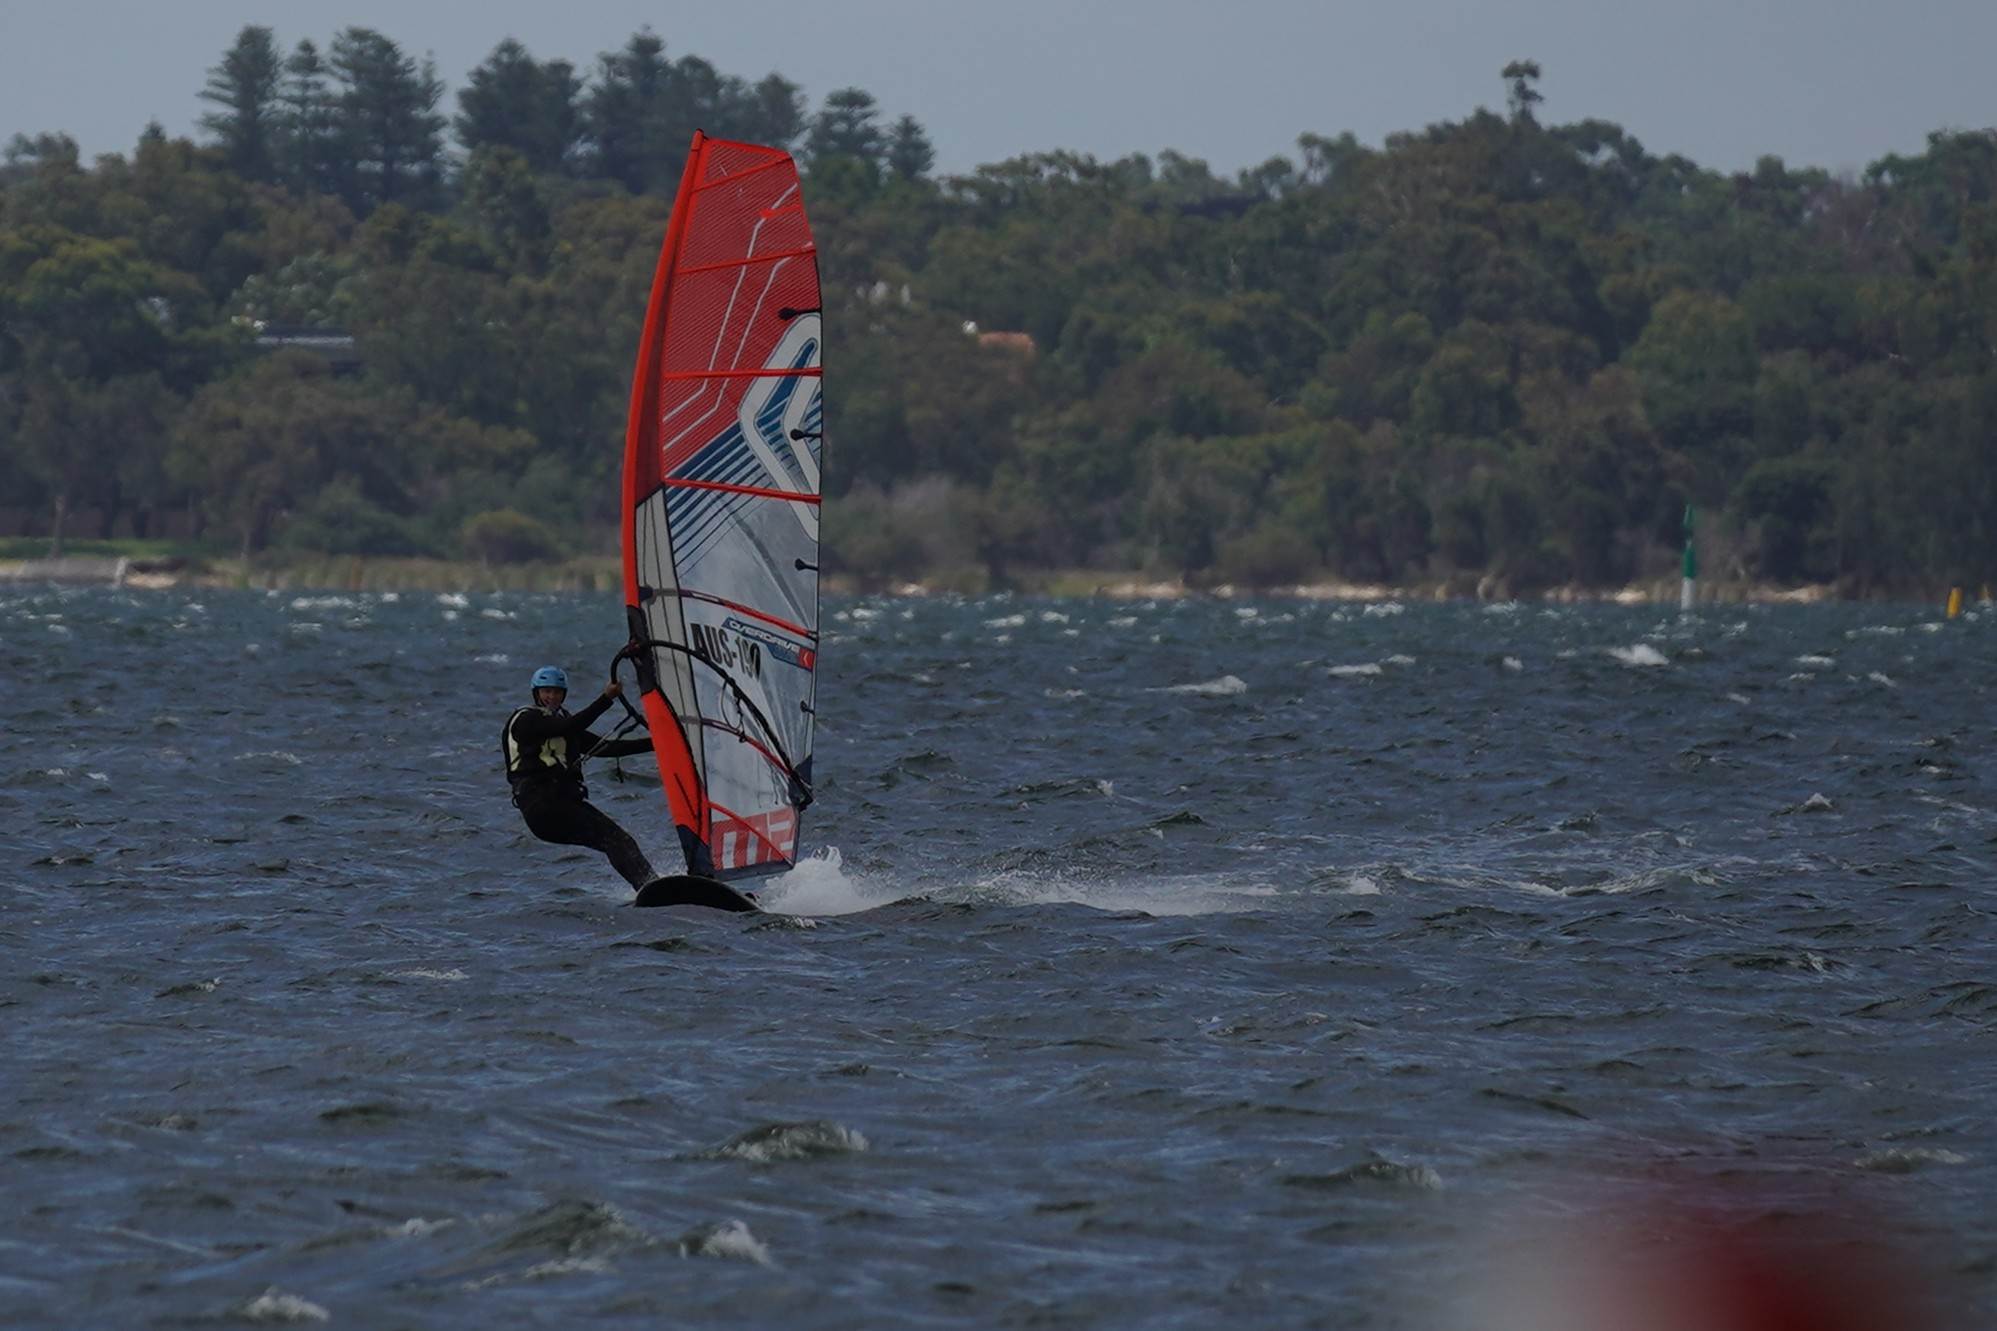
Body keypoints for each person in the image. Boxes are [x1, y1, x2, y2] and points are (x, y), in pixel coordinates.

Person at [503, 665, 661, 890]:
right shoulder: (526, 720)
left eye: (557, 692)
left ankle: (652, 888)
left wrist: (658, 743)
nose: (551, 697)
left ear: (564, 694)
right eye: (546, 691)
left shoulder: (563, 724)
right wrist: (606, 699)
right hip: (543, 807)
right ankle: (650, 887)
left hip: (563, 804)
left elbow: (607, 748)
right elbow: (570, 725)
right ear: (536, 693)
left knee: (618, 841)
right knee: (616, 840)